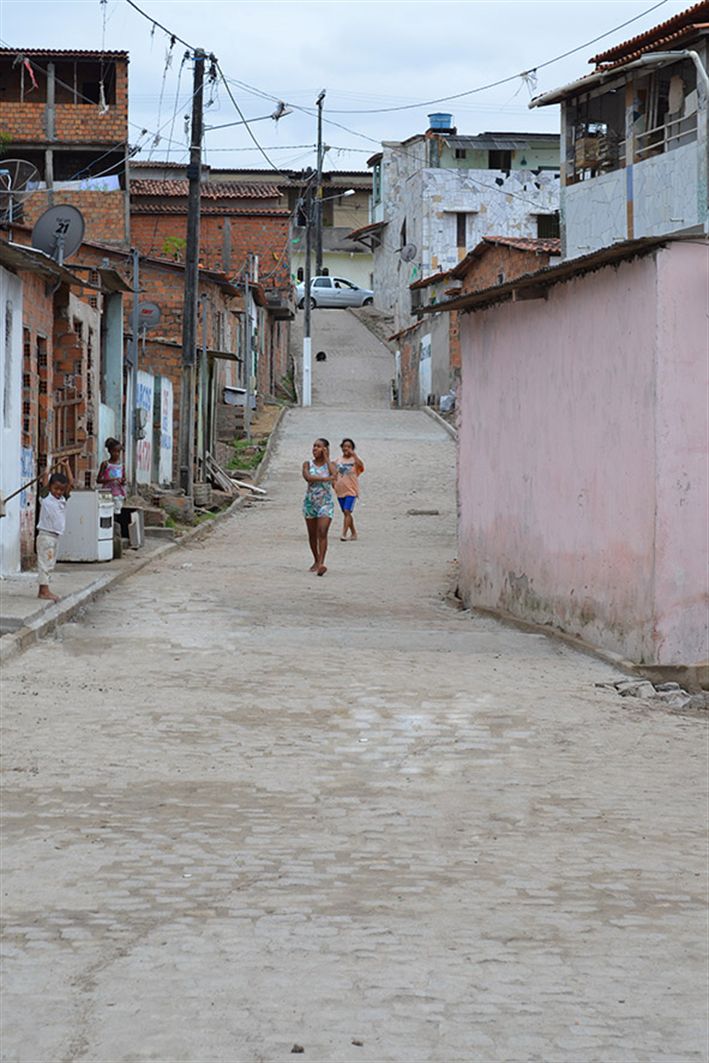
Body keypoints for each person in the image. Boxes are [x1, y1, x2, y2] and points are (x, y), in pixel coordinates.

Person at [36, 460, 74, 602]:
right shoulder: (46, 497)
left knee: (49, 564)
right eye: (56, 488)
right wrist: (48, 467)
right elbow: (46, 479)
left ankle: (44, 590)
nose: (58, 492)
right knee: (44, 563)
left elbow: (71, 482)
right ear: (50, 487)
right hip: (45, 535)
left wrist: (67, 466)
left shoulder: (62, 499)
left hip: (55, 536)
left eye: (61, 489)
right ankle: (44, 591)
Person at [302, 438, 336, 576]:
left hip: (325, 503)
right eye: (314, 446)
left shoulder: (331, 464)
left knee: (322, 531)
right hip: (310, 503)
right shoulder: (307, 464)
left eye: (319, 446)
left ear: (325, 449)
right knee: (312, 534)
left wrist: (327, 458)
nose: (315, 448)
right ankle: (316, 559)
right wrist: (325, 479)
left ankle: (322, 563)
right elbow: (308, 477)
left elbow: (335, 474)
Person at [335, 438, 365, 541]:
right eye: (344, 446)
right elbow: (333, 473)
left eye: (349, 447)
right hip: (340, 491)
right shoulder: (338, 460)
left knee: (347, 511)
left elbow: (361, 466)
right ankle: (354, 533)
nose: (346, 448)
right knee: (346, 513)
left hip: (351, 491)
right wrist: (333, 484)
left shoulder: (355, 461)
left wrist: (354, 455)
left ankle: (344, 533)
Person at [97, 437, 126, 515]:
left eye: (118, 452)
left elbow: (124, 479)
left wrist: (122, 481)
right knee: (106, 512)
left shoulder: (121, 465)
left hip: (118, 494)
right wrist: (110, 479)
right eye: (114, 451)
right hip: (107, 494)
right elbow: (98, 480)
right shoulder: (105, 464)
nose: (116, 454)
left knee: (116, 514)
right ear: (109, 451)